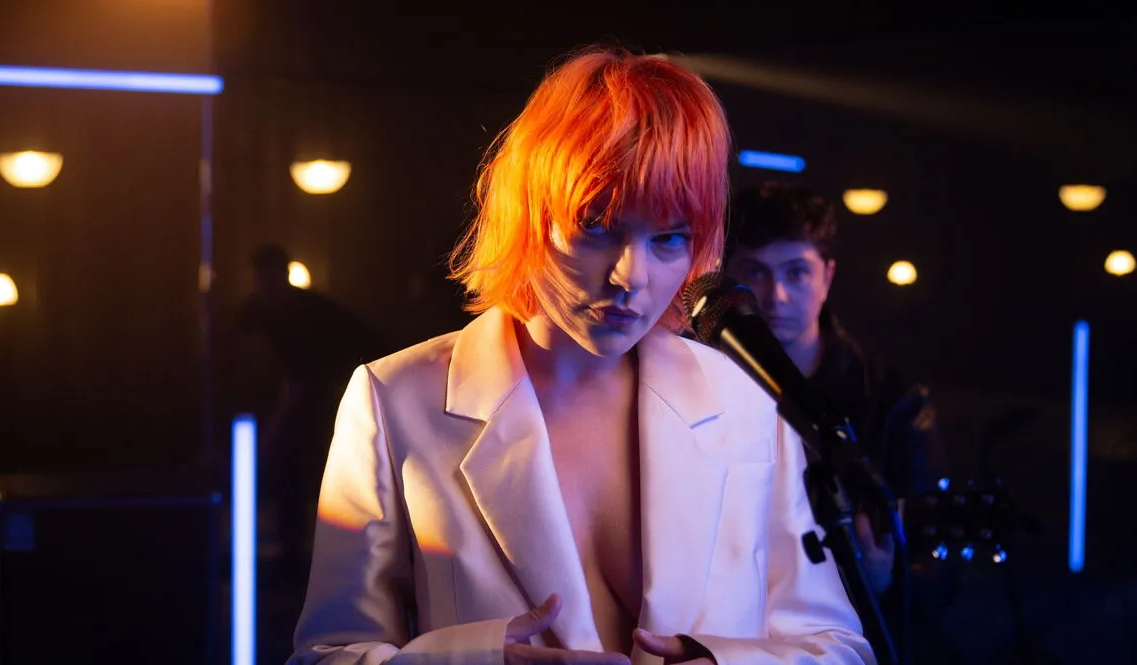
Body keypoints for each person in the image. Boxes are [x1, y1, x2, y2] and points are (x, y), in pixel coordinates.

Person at [289, 48, 873, 665]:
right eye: (597, 225)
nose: (632, 275)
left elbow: (836, 646)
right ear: (532, 215)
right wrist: (476, 661)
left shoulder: (743, 401)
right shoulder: (395, 400)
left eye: (669, 237)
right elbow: (326, 653)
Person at [722, 181, 953, 660]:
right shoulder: (697, 382)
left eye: (796, 272)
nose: (776, 295)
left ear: (827, 277)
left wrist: (887, 580)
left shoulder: (892, 403)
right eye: (755, 273)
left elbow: (940, 579)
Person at [232, 243, 380, 575]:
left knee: (311, 469)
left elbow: (329, 360)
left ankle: (320, 554)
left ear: (283, 277)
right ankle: (295, 548)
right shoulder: (258, 310)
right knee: (288, 471)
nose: (264, 287)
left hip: (330, 397)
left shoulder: (310, 312)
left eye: (269, 278)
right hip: (297, 400)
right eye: (259, 280)